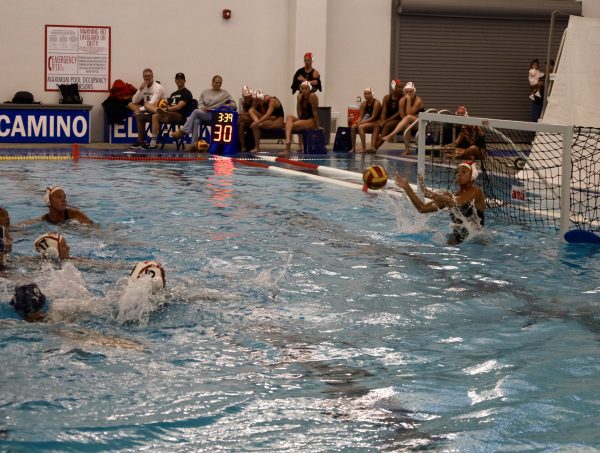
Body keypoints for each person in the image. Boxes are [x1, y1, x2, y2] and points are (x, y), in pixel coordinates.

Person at [394, 161, 485, 245]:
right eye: (457, 172)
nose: (459, 174)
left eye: (464, 172)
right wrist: (407, 188)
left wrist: (428, 192)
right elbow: (422, 208)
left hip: (476, 240)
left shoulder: (476, 192)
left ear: (473, 175)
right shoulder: (449, 196)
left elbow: (456, 203)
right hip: (457, 238)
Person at [171, 74, 236, 151]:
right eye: (216, 82)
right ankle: (193, 145)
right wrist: (203, 108)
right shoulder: (205, 92)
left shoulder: (225, 93)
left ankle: (183, 131)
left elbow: (234, 105)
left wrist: (225, 106)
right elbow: (200, 104)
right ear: (212, 83)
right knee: (195, 121)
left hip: (216, 115)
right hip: (206, 113)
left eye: (220, 83)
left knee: (195, 112)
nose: (218, 84)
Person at [143, 72, 194, 150]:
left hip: (179, 116)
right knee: (154, 115)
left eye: (181, 79)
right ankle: (153, 143)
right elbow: (168, 105)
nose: (179, 81)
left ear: (184, 81)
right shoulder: (173, 94)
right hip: (168, 114)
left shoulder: (186, 93)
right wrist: (165, 108)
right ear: (175, 81)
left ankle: (160, 111)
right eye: (177, 79)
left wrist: (167, 109)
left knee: (163, 112)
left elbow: (179, 107)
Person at [381, 81, 424, 155]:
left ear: (414, 91)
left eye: (411, 92)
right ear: (404, 92)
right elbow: (402, 116)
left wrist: (408, 101)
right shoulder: (401, 101)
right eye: (407, 92)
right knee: (406, 125)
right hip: (409, 122)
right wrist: (407, 101)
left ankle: (391, 135)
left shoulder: (418, 100)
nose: (409, 94)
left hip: (420, 123)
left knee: (409, 117)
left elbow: (409, 114)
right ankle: (407, 150)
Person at [127, 68, 166, 149]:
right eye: (145, 76)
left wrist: (140, 109)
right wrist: (140, 89)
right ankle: (140, 141)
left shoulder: (158, 87)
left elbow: (152, 103)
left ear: (152, 76)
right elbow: (134, 101)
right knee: (131, 105)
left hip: (158, 111)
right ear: (143, 77)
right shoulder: (144, 87)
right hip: (147, 110)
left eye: (149, 76)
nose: (147, 78)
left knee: (146, 106)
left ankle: (151, 141)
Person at [283, 81, 319, 155]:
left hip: (311, 120)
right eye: (302, 88)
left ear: (310, 88)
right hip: (303, 119)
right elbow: (299, 110)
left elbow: (315, 112)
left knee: (288, 126)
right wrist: (299, 120)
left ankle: (287, 148)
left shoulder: (312, 96)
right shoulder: (299, 96)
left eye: (306, 88)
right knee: (289, 117)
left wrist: (317, 126)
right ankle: (288, 140)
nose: (304, 90)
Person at [369, 80, 404, 153]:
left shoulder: (403, 98)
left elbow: (399, 113)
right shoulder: (387, 97)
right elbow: (383, 111)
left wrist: (386, 121)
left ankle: (375, 147)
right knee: (377, 124)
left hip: (398, 120)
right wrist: (382, 120)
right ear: (393, 87)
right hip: (387, 119)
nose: (401, 89)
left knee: (387, 125)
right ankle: (372, 146)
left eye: (402, 87)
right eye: (399, 87)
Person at [350, 87, 381, 153]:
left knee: (360, 127)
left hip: (376, 122)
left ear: (372, 94)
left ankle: (363, 148)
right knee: (353, 127)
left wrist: (361, 123)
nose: (366, 95)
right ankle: (353, 148)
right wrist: (357, 122)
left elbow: (373, 117)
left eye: (368, 93)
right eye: (365, 94)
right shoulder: (363, 104)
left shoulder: (376, 103)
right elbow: (361, 116)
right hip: (368, 122)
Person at [237, 85, 255, 152]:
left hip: (255, 119)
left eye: (248, 97)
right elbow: (245, 113)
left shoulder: (254, 101)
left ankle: (233, 129)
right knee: (241, 124)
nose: (247, 99)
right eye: (246, 97)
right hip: (248, 120)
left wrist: (241, 115)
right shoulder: (243, 102)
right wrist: (243, 115)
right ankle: (243, 147)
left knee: (241, 118)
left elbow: (251, 113)